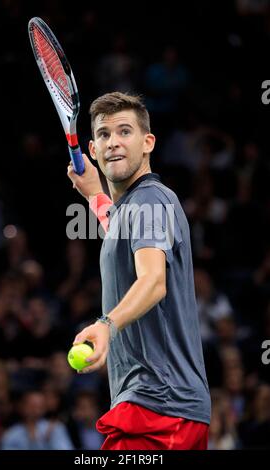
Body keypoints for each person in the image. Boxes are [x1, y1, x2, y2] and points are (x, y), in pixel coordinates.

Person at [67, 92, 211, 450]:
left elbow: (153, 281)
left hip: (159, 409)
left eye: (124, 131)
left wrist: (106, 325)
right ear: (93, 149)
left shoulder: (150, 198)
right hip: (164, 407)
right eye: (103, 135)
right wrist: (95, 197)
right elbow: (121, 229)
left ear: (148, 143)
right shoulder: (137, 207)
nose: (113, 142)